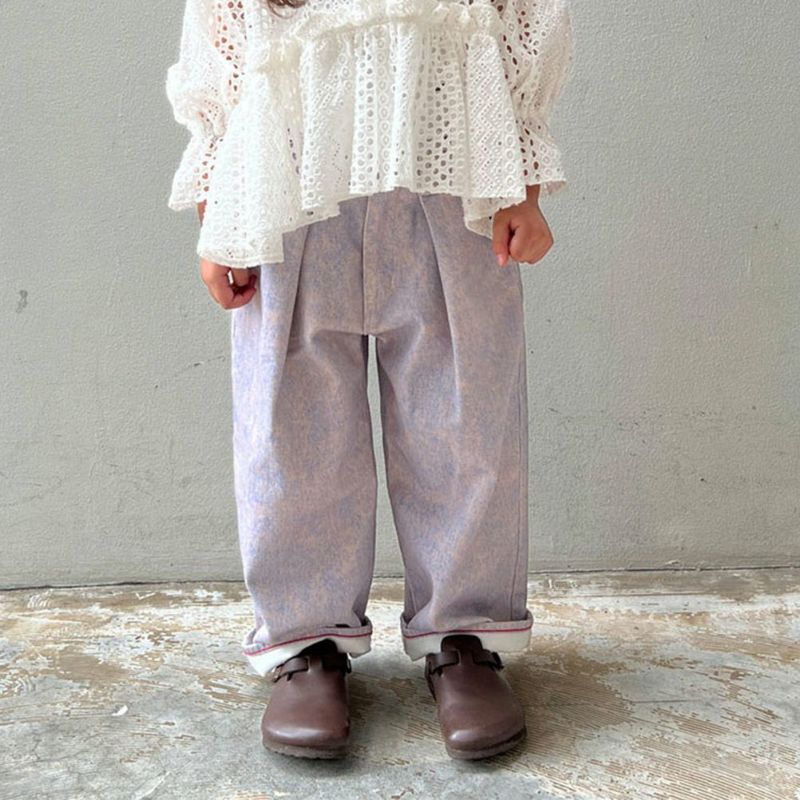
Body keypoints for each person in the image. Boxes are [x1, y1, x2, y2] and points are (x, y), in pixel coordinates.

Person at [165, 0, 574, 761]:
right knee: (293, 423)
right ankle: (306, 641)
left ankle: (465, 633)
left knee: (466, 415)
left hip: (450, 160)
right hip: (289, 172)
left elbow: (521, 17)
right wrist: (219, 206)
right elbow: (221, 36)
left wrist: (519, 178)